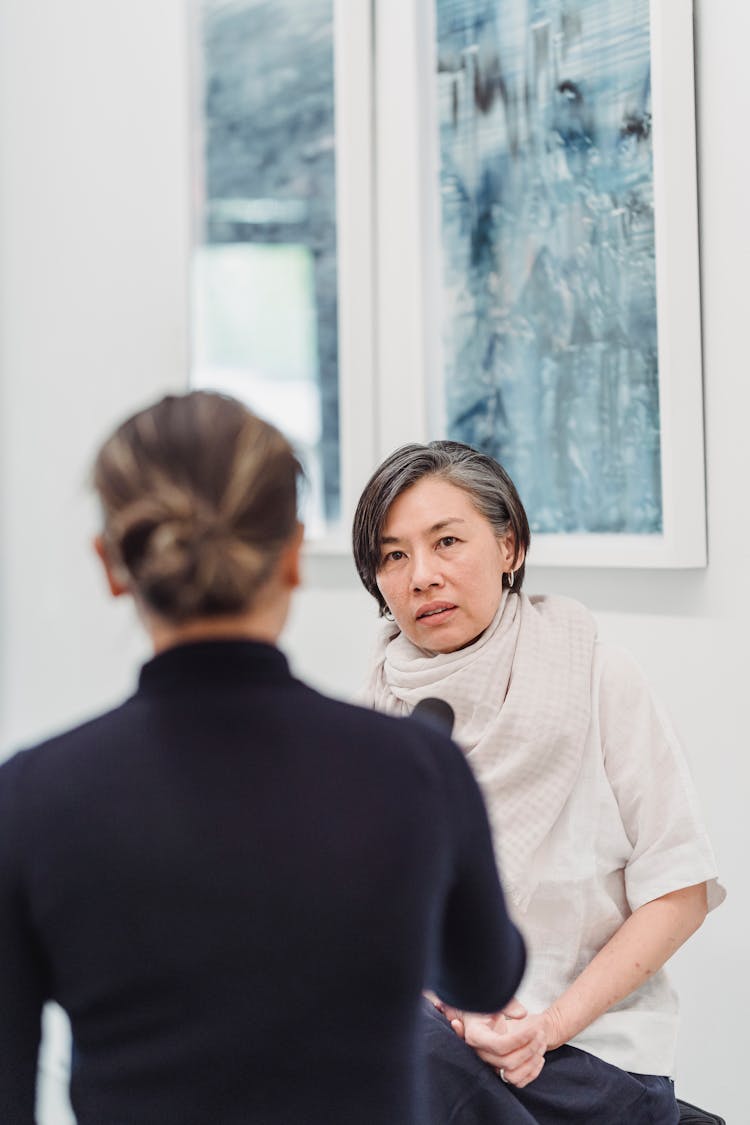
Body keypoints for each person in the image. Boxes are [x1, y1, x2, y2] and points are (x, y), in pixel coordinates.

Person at [0, 393, 531, 1125]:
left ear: (113, 565)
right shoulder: (413, 766)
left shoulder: (30, 798)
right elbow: (487, 973)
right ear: (291, 554)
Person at [352, 440, 725, 1125]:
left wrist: (544, 1027)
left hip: (588, 1051)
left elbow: (681, 891)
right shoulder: (382, 705)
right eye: (394, 555)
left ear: (510, 547)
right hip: (441, 1045)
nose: (422, 575)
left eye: (447, 541)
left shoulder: (598, 676)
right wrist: (454, 1017)